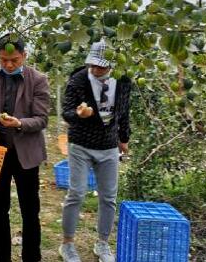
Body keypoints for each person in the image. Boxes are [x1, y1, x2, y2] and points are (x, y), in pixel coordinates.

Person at [0, 33, 51, 262]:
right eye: (3, 60)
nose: (9, 65)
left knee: (30, 210)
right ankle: (2, 257)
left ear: (24, 56)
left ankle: (32, 256)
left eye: (14, 60)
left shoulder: (37, 79)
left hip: (26, 154)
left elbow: (41, 119)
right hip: (0, 152)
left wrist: (20, 123)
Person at [58, 40, 132, 262]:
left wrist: (124, 138)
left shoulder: (122, 80)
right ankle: (67, 244)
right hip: (81, 144)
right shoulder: (79, 80)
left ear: (111, 65)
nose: (96, 69)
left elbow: (124, 111)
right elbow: (66, 112)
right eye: (93, 65)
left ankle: (102, 244)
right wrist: (79, 114)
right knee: (77, 193)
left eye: (101, 66)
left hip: (108, 146)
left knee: (109, 197)